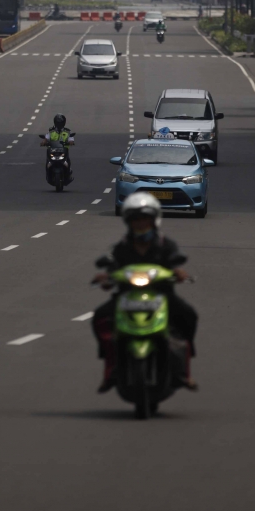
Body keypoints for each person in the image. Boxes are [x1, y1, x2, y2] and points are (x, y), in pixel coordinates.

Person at [91, 192, 198, 394]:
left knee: (189, 315)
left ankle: (185, 371)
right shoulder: (120, 248)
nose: (141, 224)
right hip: (126, 297)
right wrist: (105, 278)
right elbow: (111, 269)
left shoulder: (167, 245)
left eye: (145, 220)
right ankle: (110, 369)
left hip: (162, 297)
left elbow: (176, 261)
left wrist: (179, 272)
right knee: (99, 317)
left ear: (154, 220)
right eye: (136, 221)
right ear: (128, 223)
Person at [40, 114, 75, 181]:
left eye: (61, 123)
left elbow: (71, 139)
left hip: (63, 151)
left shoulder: (67, 131)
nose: (59, 124)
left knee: (68, 161)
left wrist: (71, 142)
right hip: (53, 150)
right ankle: (48, 175)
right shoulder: (51, 131)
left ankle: (68, 173)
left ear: (64, 123)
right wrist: (44, 142)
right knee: (48, 162)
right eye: (58, 123)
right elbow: (46, 138)